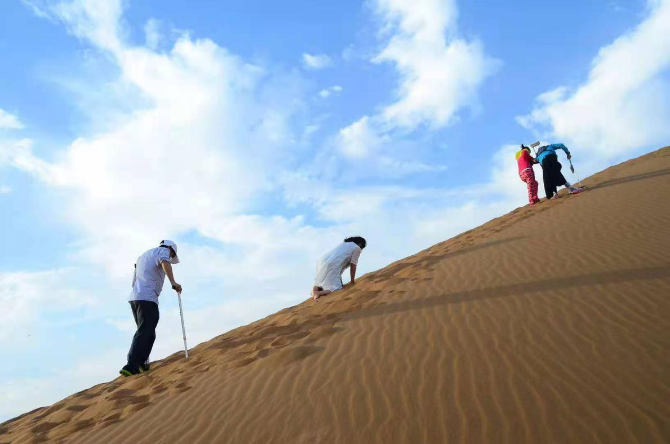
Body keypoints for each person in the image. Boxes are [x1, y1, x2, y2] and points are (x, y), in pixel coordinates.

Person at [120, 240, 182, 377]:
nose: (170, 257)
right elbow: (165, 262)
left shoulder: (142, 257)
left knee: (148, 332)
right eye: (172, 254)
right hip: (147, 298)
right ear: (170, 248)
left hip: (136, 298)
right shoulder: (163, 251)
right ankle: (132, 365)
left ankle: (142, 364)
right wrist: (173, 282)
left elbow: (134, 281)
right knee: (145, 331)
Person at [311, 236, 366, 301]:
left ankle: (315, 292)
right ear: (360, 244)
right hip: (333, 264)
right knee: (336, 288)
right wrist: (352, 281)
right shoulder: (357, 248)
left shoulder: (344, 244)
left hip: (322, 261)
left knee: (320, 280)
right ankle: (318, 293)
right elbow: (353, 265)